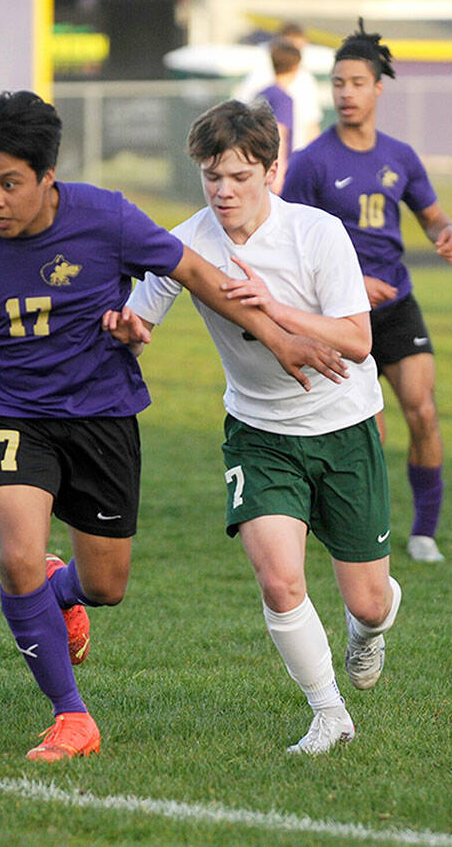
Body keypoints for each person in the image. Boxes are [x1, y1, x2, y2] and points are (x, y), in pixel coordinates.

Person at [0, 90, 349, 763]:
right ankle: (72, 716)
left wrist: (278, 337)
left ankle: (64, 592)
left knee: (105, 586)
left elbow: (193, 272)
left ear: (45, 178)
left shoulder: (106, 218)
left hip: (102, 416)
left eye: (9, 183)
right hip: (8, 414)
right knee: (16, 558)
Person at [107, 98, 401, 755]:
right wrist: (126, 328)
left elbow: (357, 340)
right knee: (279, 578)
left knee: (370, 601)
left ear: (271, 170)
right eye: (212, 175)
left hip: (344, 427)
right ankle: (329, 714)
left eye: (239, 176)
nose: (223, 190)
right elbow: (140, 319)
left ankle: (370, 629)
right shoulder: (186, 242)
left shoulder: (317, 233)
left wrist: (275, 308)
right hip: (259, 432)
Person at [281, 21, 452, 564]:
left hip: (396, 307)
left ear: (378, 87)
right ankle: (364, 533)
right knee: (365, 433)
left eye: (357, 83)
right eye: (337, 83)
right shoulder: (312, 162)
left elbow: (432, 217)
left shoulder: (400, 157)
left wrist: (446, 232)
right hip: (337, 315)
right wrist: (349, 279)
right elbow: (288, 242)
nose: (346, 93)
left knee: (422, 412)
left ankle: (425, 531)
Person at [235, 22, 321, 152]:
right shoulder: (261, 77)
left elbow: (311, 124)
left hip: (294, 154)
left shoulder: (305, 79)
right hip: (266, 155)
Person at [256, 38, 298, 194]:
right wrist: (278, 175)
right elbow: (280, 133)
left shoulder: (261, 94)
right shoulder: (284, 99)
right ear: (296, 67)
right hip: (272, 170)